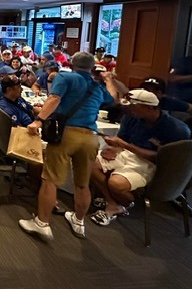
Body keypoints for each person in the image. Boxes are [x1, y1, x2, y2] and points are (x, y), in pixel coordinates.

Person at [19, 52, 118, 241]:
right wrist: (109, 80)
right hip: (91, 137)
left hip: (66, 134)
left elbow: (54, 99)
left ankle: (42, 223)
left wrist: (38, 121)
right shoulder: (97, 85)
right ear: (92, 67)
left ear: (72, 64)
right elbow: (113, 99)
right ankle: (79, 222)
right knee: (83, 183)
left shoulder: (65, 77)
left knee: (50, 180)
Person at [90, 89, 190, 226]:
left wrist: (124, 145)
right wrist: (115, 148)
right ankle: (113, 203)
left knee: (116, 184)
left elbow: (164, 159)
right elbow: (124, 140)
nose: (128, 108)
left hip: (152, 164)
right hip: (127, 153)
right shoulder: (131, 117)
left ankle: (125, 203)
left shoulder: (176, 129)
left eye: (133, 105)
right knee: (89, 163)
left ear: (149, 108)